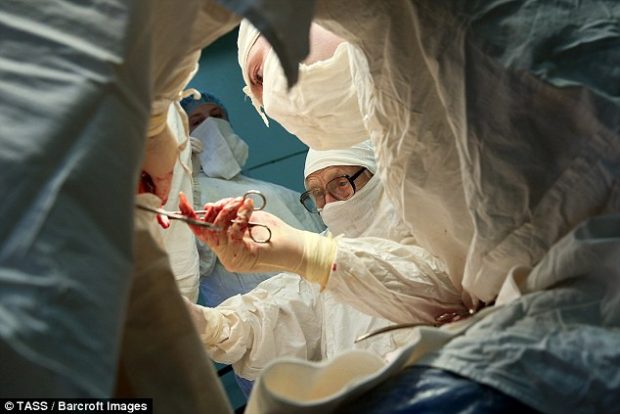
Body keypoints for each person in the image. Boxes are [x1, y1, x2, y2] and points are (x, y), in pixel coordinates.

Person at [230, 6, 620, 413]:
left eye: (260, 75)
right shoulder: (394, 100)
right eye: (317, 194)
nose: (268, 99)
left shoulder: (451, 39)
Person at [182, 140, 465, 386]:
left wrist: (312, 255)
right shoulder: (325, 247)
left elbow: (426, 286)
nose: (329, 202)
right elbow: (278, 313)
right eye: (317, 193)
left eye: (340, 183)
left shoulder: (430, 229)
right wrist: (208, 324)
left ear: (377, 176)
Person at [179, 90, 325, 306]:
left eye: (217, 116)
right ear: (183, 134)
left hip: (322, 298)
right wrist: (181, 178)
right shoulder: (190, 195)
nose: (211, 126)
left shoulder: (271, 190)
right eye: (197, 122)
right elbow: (189, 265)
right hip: (264, 315)